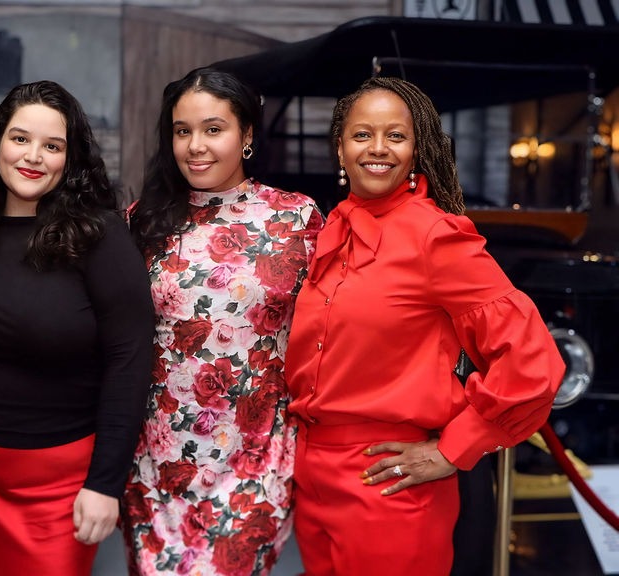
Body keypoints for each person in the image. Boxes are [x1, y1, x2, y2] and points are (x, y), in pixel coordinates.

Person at [283, 76, 565, 576]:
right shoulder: (330, 230)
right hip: (312, 476)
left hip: (389, 479)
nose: (378, 148)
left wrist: (455, 449)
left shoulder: (435, 235)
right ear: (340, 149)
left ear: (416, 150)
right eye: (362, 134)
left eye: (396, 136)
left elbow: (532, 359)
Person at [0, 80, 155, 575]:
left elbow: (130, 361)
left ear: (69, 159)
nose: (33, 156)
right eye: (20, 139)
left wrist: (105, 483)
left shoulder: (99, 237)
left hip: (57, 487)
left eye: (52, 146)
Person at [122, 67, 323, 575]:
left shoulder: (295, 219)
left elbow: (332, 332)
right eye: (182, 130)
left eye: (213, 129)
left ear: (246, 134)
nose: (196, 146)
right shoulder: (141, 221)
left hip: (255, 460)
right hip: (157, 461)